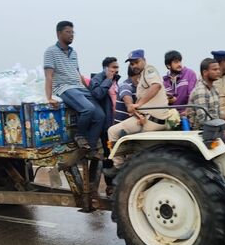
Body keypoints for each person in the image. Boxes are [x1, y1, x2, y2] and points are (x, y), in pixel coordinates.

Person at [43, 20, 104, 154]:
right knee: (88, 108)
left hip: (79, 87)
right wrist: (49, 97)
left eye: (73, 32)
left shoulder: (73, 53)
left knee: (100, 116)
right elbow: (49, 76)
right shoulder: (50, 51)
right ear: (59, 33)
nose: (71, 35)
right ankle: (79, 135)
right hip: (64, 87)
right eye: (68, 32)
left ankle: (91, 149)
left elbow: (77, 73)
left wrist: (88, 89)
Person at [105, 49, 169, 176]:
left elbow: (156, 86)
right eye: (131, 63)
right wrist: (138, 110)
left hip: (150, 121)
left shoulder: (149, 70)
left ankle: (119, 167)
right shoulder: (141, 78)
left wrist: (137, 105)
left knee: (112, 131)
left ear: (144, 60)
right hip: (148, 118)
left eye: (136, 62)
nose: (134, 65)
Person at [89, 57, 121, 191]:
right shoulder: (98, 79)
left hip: (116, 123)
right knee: (108, 154)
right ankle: (109, 186)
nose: (116, 70)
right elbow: (97, 94)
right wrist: (107, 80)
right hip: (105, 125)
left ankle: (114, 183)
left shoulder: (116, 81)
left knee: (116, 153)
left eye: (117, 67)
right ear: (105, 68)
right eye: (113, 67)